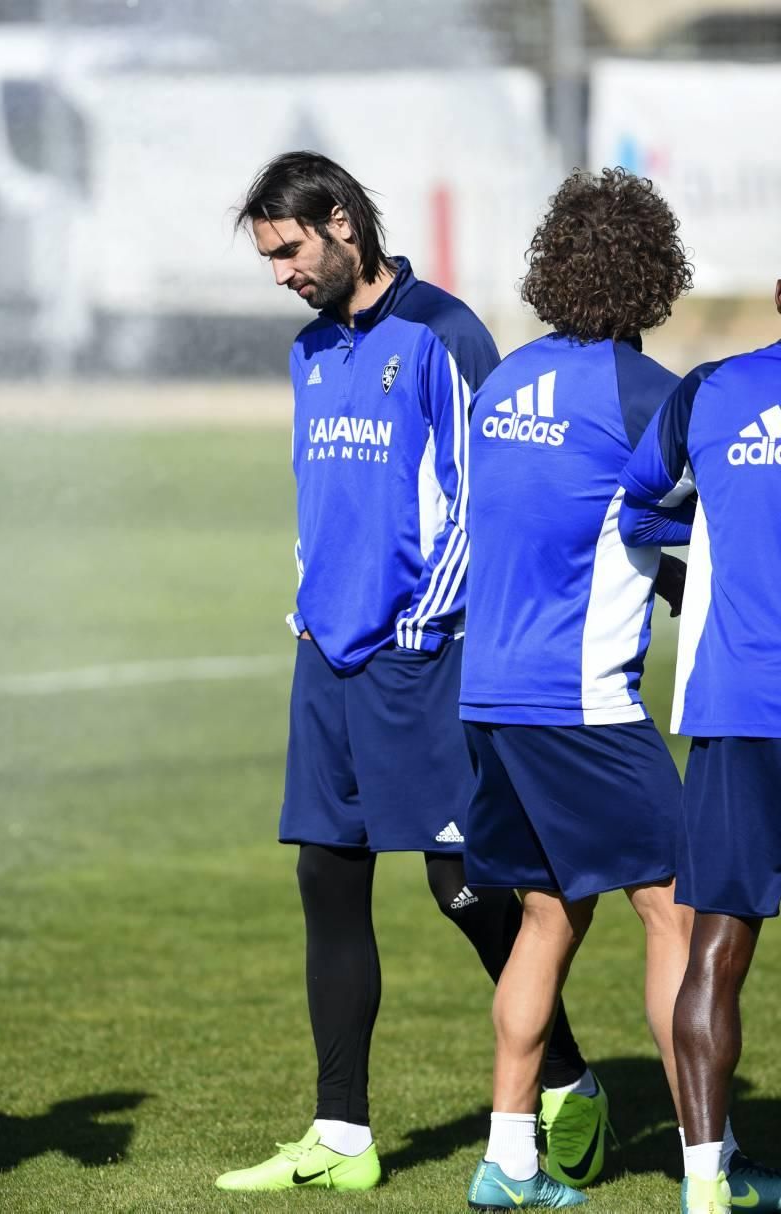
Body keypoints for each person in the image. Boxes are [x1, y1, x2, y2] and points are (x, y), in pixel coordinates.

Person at [215, 151, 605, 1195]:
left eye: (290, 249)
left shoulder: (443, 332)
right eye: (268, 258)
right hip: (325, 658)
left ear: (342, 223)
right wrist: (307, 599)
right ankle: (341, 1133)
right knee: (325, 881)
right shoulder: (306, 351)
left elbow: (485, 497)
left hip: (416, 657)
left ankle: (563, 1074)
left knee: (459, 882)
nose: (282, 274)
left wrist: (423, 623)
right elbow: (319, 496)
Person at [457, 167, 698, 1210]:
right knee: (679, 907)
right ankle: (710, 1162)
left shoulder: (505, 380)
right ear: (653, 275)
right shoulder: (644, 394)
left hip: (488, 697)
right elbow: (696, 534)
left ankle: (506, 1163)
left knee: (546, 917)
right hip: (582, 702)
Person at [620, 281, 781, 1214]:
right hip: (738, 706)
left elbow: (637, 506)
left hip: (736, 706)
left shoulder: (711, 389)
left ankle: (704, 1189)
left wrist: (703, 544)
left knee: (716, 950)